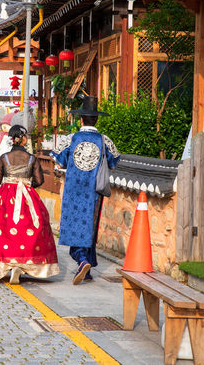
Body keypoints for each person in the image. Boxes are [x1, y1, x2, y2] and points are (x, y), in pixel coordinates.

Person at [50, 96, 121, 285]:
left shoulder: (70, 139)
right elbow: (113, 163)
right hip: (94, 191)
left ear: (81, 119)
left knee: (74, 226)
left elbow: (59, 160)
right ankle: (87, 264)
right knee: (90, 226)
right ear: (96, 119)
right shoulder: (105, 141)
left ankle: (81, 260)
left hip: (73, 189)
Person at [0, 125, 60, 284]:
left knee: (3, 228)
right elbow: (40, 180)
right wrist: (27, 185)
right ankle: (22, 265)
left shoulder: (4, 158)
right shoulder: (32, 159)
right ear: (21, 139)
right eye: (26, 136)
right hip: (27, 196)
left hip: (5, 196)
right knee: (28, 227)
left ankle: (8, 264)